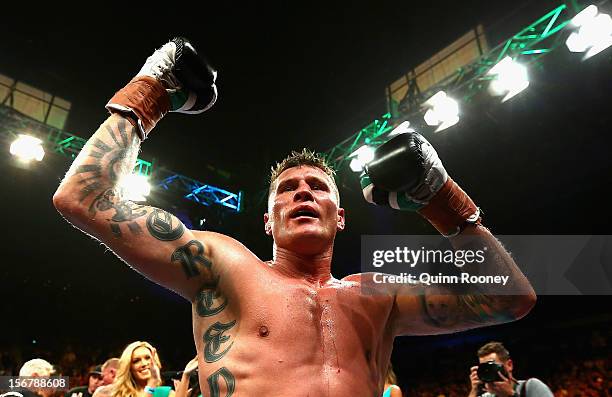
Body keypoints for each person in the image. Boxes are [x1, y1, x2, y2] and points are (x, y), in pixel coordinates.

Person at [53, 37, 537, 396]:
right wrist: (150, 92)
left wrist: (441, 198)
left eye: (317, 187)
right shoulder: (225, 266)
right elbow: (82, 197)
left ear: (340, 216)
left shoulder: (377, 294)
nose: (302, 192)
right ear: (269, 222)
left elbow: (512, 298)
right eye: (286, 190)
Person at [468, 342, 553, 397]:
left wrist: (511, 395)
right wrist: (474, 390)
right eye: (485, 368)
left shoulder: (531, 387)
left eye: (492, 366)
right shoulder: (488, 396)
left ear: (509, 365)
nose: (489, 371)